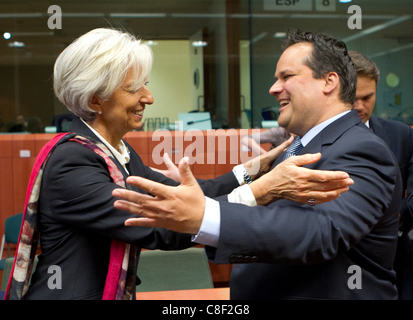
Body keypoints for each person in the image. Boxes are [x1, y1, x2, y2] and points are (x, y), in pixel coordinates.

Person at [16, 28, 350, 300]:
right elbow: (162, 226)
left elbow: (184, 196)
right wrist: (260, 191)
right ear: (95, 100)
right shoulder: (74, 161)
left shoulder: (116, 151)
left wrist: (251, 171)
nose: (148, 97)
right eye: (136, 87)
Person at [113, 29, 403, 300]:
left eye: (286, 76)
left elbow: (324, 232)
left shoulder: (361, 148)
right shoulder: (298, 145)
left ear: (329, 81)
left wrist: (207, 216)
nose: (273, 88)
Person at [350, 50, 413, 300]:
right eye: (352, 98)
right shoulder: (313, 138)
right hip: (336, 258)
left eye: (367, 97)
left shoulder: (402, 135)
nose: (359, 106)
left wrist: (397, 214)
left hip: (392, 256)